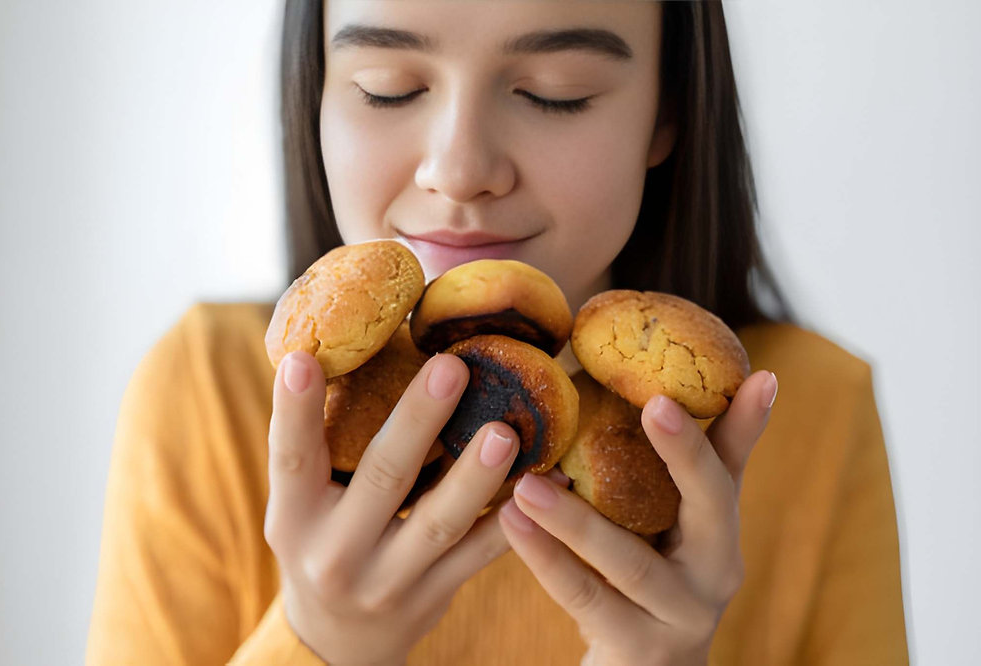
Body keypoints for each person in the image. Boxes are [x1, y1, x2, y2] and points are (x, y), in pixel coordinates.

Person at [86, 2, 908, 664]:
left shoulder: (812, 416)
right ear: (317, 99)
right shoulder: (209, 390)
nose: (460, 167)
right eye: (387, 86)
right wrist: (320, 644)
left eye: (556, 91)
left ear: (668, 113)